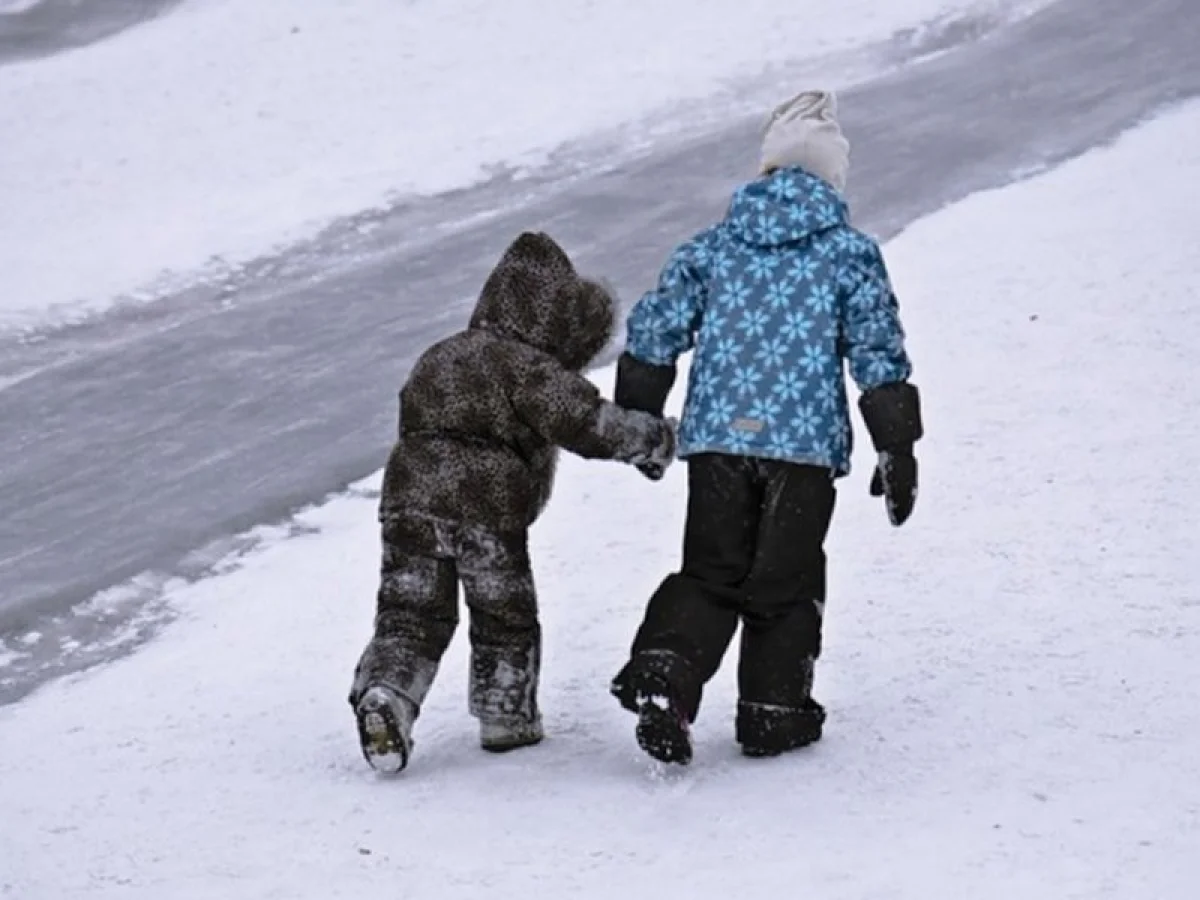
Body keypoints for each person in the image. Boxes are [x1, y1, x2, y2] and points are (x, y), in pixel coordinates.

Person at [609, 90, 923, 764]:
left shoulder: (715, 246)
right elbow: (877, 349)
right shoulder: (849, 254)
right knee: (787, 578)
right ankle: (773, 710)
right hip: (802, 450)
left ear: (769, 168)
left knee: (712, 569)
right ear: (832, 174)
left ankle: (666, 674)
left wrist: (640, 406)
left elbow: (658, 322)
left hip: (720, 440)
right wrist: (896, 443)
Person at [349, 231, 675, 774]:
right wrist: (655, 439)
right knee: (504, 614)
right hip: (486, 510)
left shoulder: (442, 353)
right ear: (551, 318)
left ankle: (388, 695)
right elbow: (587, 423)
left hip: (408, 503)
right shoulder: (524, 366)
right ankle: (506, 715)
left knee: (409, 615)